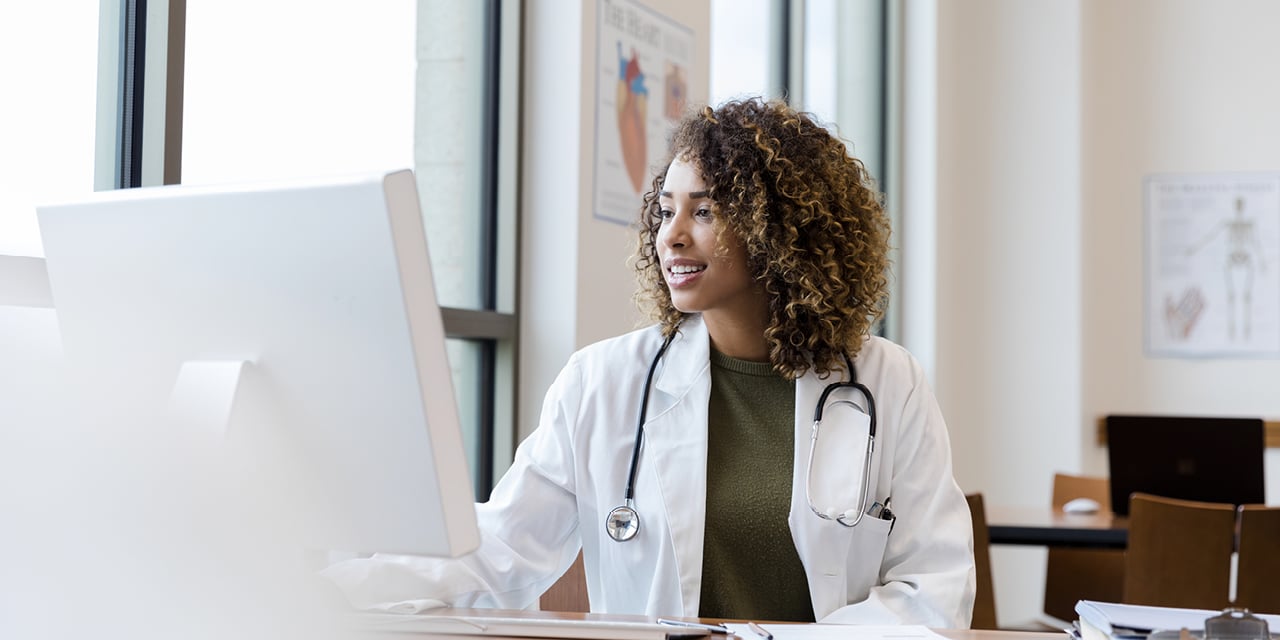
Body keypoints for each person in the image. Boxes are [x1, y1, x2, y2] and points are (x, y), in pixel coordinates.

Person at [323, 97, 975, 627]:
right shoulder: (602, 382)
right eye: (665, 211)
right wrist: (334, 581)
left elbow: (933, 589)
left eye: (705, 211)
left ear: (779, 231)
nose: (672, 234)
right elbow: (498, 552)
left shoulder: (887, 384)